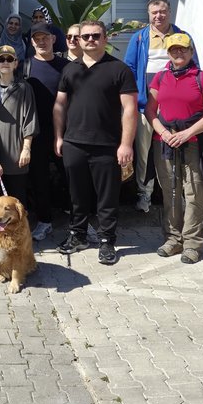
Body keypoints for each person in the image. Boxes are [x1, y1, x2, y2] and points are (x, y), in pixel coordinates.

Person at [54, 20, 138, 266]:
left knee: (107, 198)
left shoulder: (119, 69)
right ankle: (78, 235)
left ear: (105, 38)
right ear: (78, 40)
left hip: (107, 145)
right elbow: (59, 105)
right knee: (76, 195)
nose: (90, 40)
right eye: (86, 36)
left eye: (96, 36)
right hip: (74, 143)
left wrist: (126, 144)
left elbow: (130, 109)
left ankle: (107, 241)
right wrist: (58, 136)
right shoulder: (70, 70)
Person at [145, 34, 203, 264]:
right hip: (165, 143)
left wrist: (187, 133)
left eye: (183, 49)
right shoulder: (160, 78)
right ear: (168, 53)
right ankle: (173, 239)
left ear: (191, 51)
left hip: (195, 142)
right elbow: (150, 111)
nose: (178, 53)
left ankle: (192, 243)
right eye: (173, 49)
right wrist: (164, 133)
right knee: (170, 192)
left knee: (194, 192)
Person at [123, 0, 194, 213]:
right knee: (144, 153)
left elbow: (194, 66)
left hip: (175, 107)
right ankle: (144, 194)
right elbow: (129, 69)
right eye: (154, 12)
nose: (158, 16)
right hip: (146, 106)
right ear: (148, 14)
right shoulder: (139, 38)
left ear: (169, 12)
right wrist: (135, 98)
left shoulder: (182, 36)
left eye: (162, 11)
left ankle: (176, 195)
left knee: (176, 151)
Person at [22, 23, 69, 241]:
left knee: (71, 177)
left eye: (45, 38)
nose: (41, 42)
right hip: (36, 132)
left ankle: (80, 221)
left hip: (65, 131)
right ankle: (44, 221)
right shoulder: (25, 66)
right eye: (37, 38)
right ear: (32, 42)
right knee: (39, 178)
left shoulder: (66, 66)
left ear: (53, 39)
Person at [0, 45, 37, 205]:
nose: (5, 62)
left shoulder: (24, 88)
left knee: (16, 201)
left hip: (15, 154)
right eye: (1, 59)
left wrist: (26, 149)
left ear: (16, 63)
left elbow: (30, 120)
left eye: (9, 59)